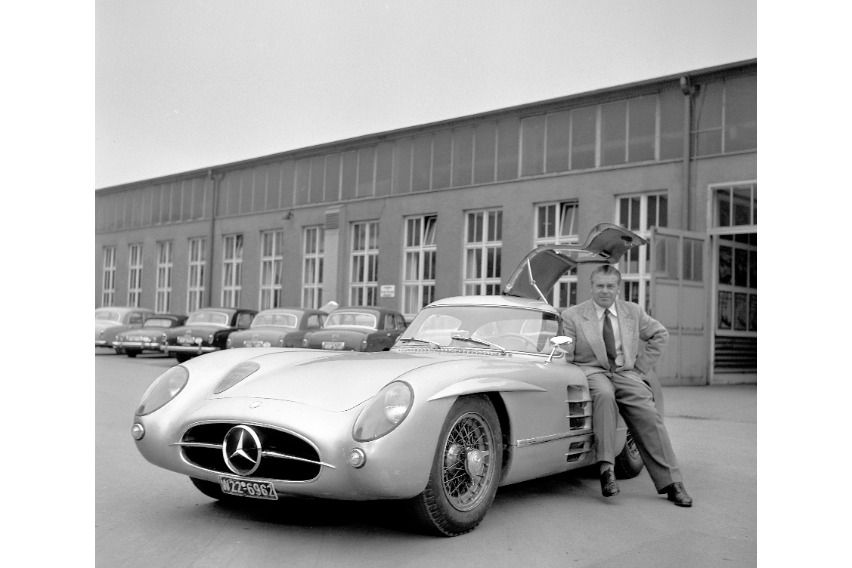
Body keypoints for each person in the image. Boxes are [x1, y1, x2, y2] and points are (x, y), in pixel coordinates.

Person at [560, 264, 692, 507]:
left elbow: (660, 334)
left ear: (618, 288)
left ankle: (672, 483)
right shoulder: (572, 315)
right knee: (604, 395)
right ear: (591, 287)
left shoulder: (633, 311)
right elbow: (565, 353)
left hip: (624, 372)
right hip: (591, 371)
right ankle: (606, 471)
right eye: (600, 286)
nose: (605, 291)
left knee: (649, 414)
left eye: (610, 286)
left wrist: (640, 368)